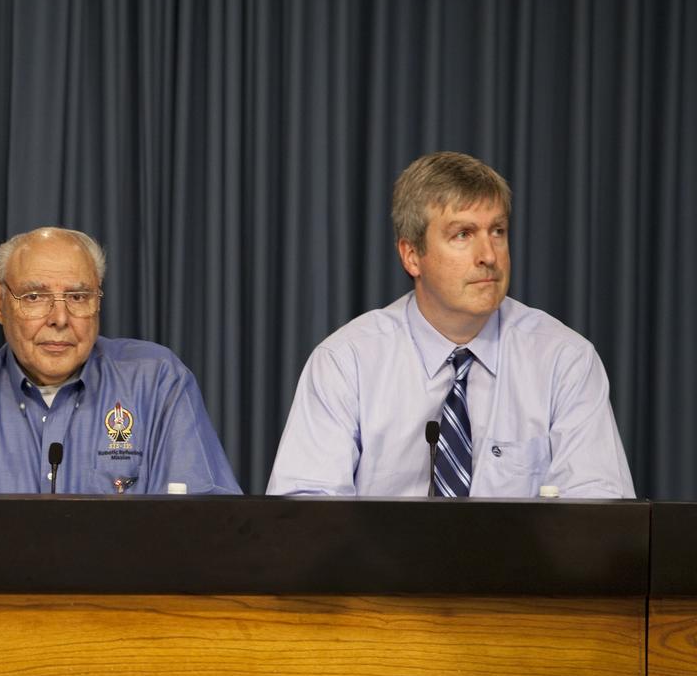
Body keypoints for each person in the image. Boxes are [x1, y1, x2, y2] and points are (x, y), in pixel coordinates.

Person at [268, 151, 634, 498]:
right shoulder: (346, 363)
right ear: (412, 256)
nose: (489, 256)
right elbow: (305, 519)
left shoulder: (564, 361)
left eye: (498, 232)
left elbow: (600, 515)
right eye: (463, 234)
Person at [0, 227, 241, 494]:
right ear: (0, 302)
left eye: (78, 297)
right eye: (34, 297)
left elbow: (206, 524)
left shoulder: (157, 381)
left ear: (98, 300)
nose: (59, 318)